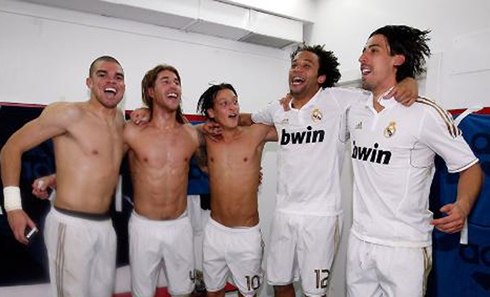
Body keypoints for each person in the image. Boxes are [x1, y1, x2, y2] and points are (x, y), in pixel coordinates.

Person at [246, 45, 418, 297]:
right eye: (294, 65)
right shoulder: (277, 108)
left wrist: (409, 80)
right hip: (284, 212)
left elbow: (382, 91)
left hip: (322, 216)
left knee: (314, 291)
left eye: (306, 65)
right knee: (279, 281)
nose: (297, 69)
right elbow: (247, 119)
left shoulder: (339, 99)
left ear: (321, 78)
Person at [345, 25, 483, 297]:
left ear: (398, 59)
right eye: (363, 52)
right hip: (359, 241)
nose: (362, 58)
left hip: (404, 247)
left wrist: (463, 205)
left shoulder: (424, 113)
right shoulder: (354, 109)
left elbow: (470, 167)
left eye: (373, 51)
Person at [1, 56, 126, 297]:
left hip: (105, 228)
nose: (112, 81)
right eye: (103, 75)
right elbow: (11, 148)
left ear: (124, 86)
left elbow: (92, 166)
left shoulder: (120, 121)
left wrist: (54, 177)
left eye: (118, 77)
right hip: (71, 227)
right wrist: (13, 207)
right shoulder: (67, 114)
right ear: (89, 82)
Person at [123, 64, 201, 297]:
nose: (174, 85)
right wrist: (57, 177)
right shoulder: (132, 131)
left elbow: (216, 163)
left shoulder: (191, 134)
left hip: (180, 226)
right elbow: (102, 162)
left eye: (176, 81)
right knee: (143, 293)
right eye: (165, 81)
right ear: (150, 92)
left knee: (183, 291)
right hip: (144, 227)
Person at [196, 83, 277, 297]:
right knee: (213, 292)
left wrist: (246, 118)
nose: (233, 107)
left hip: (246, 235)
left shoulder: (255, 133)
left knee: (247, 293)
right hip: (215, 231)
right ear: (211, 112)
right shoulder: (207, 136)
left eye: (235, 102)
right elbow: (177, 132)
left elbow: (290, 126)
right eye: (224, 104)